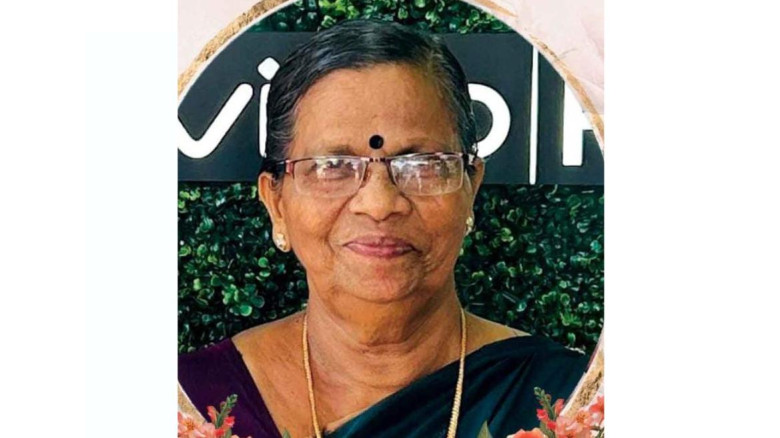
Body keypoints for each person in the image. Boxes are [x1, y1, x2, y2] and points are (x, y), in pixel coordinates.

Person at [179, 19, 587, 438]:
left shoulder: (572, 400)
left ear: (471, 188)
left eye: (421, 164)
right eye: (333, 166)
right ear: (276, 203)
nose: (379, 204)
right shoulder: (189, 401)